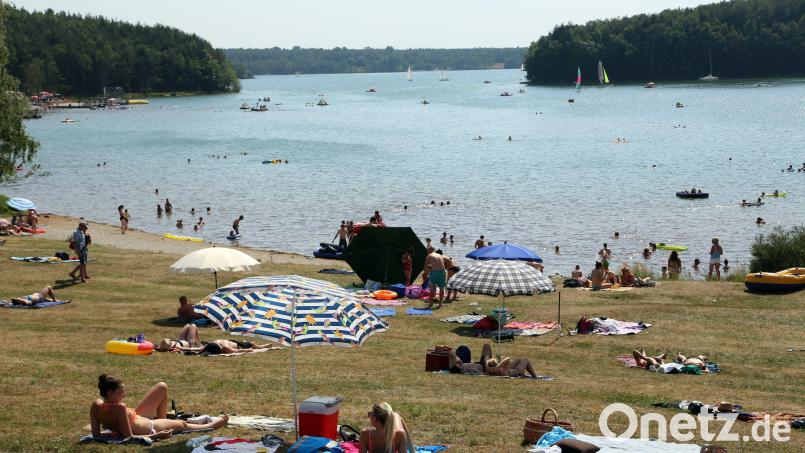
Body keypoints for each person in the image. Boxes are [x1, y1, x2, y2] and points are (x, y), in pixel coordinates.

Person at [90, 374, 228, 440]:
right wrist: (157, 435)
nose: (124, 395)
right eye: (121, 392)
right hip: (150, 427)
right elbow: (129, 437)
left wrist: (110, 433)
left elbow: (96, 435)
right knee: (182, 425)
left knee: (162, 387)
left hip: (136, 418)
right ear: (110, 393)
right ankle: (211, 425)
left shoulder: (96, 405)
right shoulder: (120, 407)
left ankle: (164, 421)